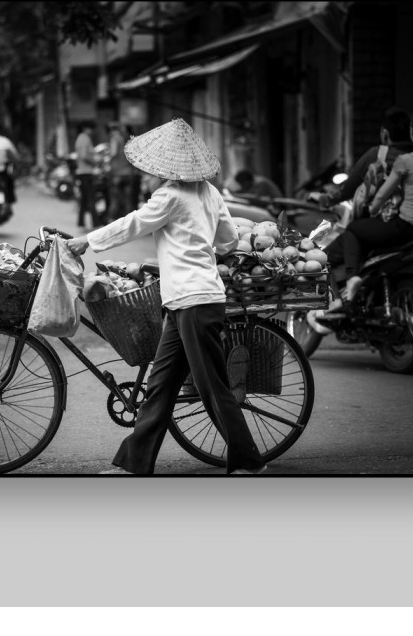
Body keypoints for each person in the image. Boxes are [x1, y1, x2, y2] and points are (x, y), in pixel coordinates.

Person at [67, 117, 268, 476]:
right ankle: (134, 463)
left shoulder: (170, 195)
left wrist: (88, 240)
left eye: (150, 171)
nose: (147, 175)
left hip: (194, 302)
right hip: (185, 302)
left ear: (164, 168)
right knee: (160, 386)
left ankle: (249, 462)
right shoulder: (210, 192)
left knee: (212, 388)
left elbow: (133, 223)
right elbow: (226, 241)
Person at [336, 104, 413, 303]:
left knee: (353, 229)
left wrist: (372, 208)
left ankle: (353, 277)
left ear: (412, 133)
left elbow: (382, 194)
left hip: (406, 228)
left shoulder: (405, 160)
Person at [74, 121, 99, 230]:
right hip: (86, 172)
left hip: (81, 172)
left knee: (84, 199)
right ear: (85, 128)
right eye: (90, 128)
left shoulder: (80, 138)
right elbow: (84, 156)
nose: (91, 131)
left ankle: (81, 223)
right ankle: (96, 224)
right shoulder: (85, 138)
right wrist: (94, 162)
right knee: (90, 199)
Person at [107, 121, 133, 220]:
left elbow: (113, 153)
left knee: (115, 199)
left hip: (118, 174)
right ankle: (129, 220)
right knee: (127, 200)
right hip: (128, 173)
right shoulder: (124, 138)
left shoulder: (115, 138)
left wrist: (107, 161)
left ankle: (112, 220)